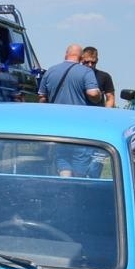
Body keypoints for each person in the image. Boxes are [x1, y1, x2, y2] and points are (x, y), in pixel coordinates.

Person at [39, 45, 104, 177]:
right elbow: (92, 93)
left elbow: (42, 98)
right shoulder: (86, 72)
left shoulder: (51, 71)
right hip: (80, 125)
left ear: (66, 55)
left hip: (58, 125)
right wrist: (98, 96)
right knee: (80, 158)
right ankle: (77, 184)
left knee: (62, 157)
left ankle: (65, 182)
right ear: (81, 58)